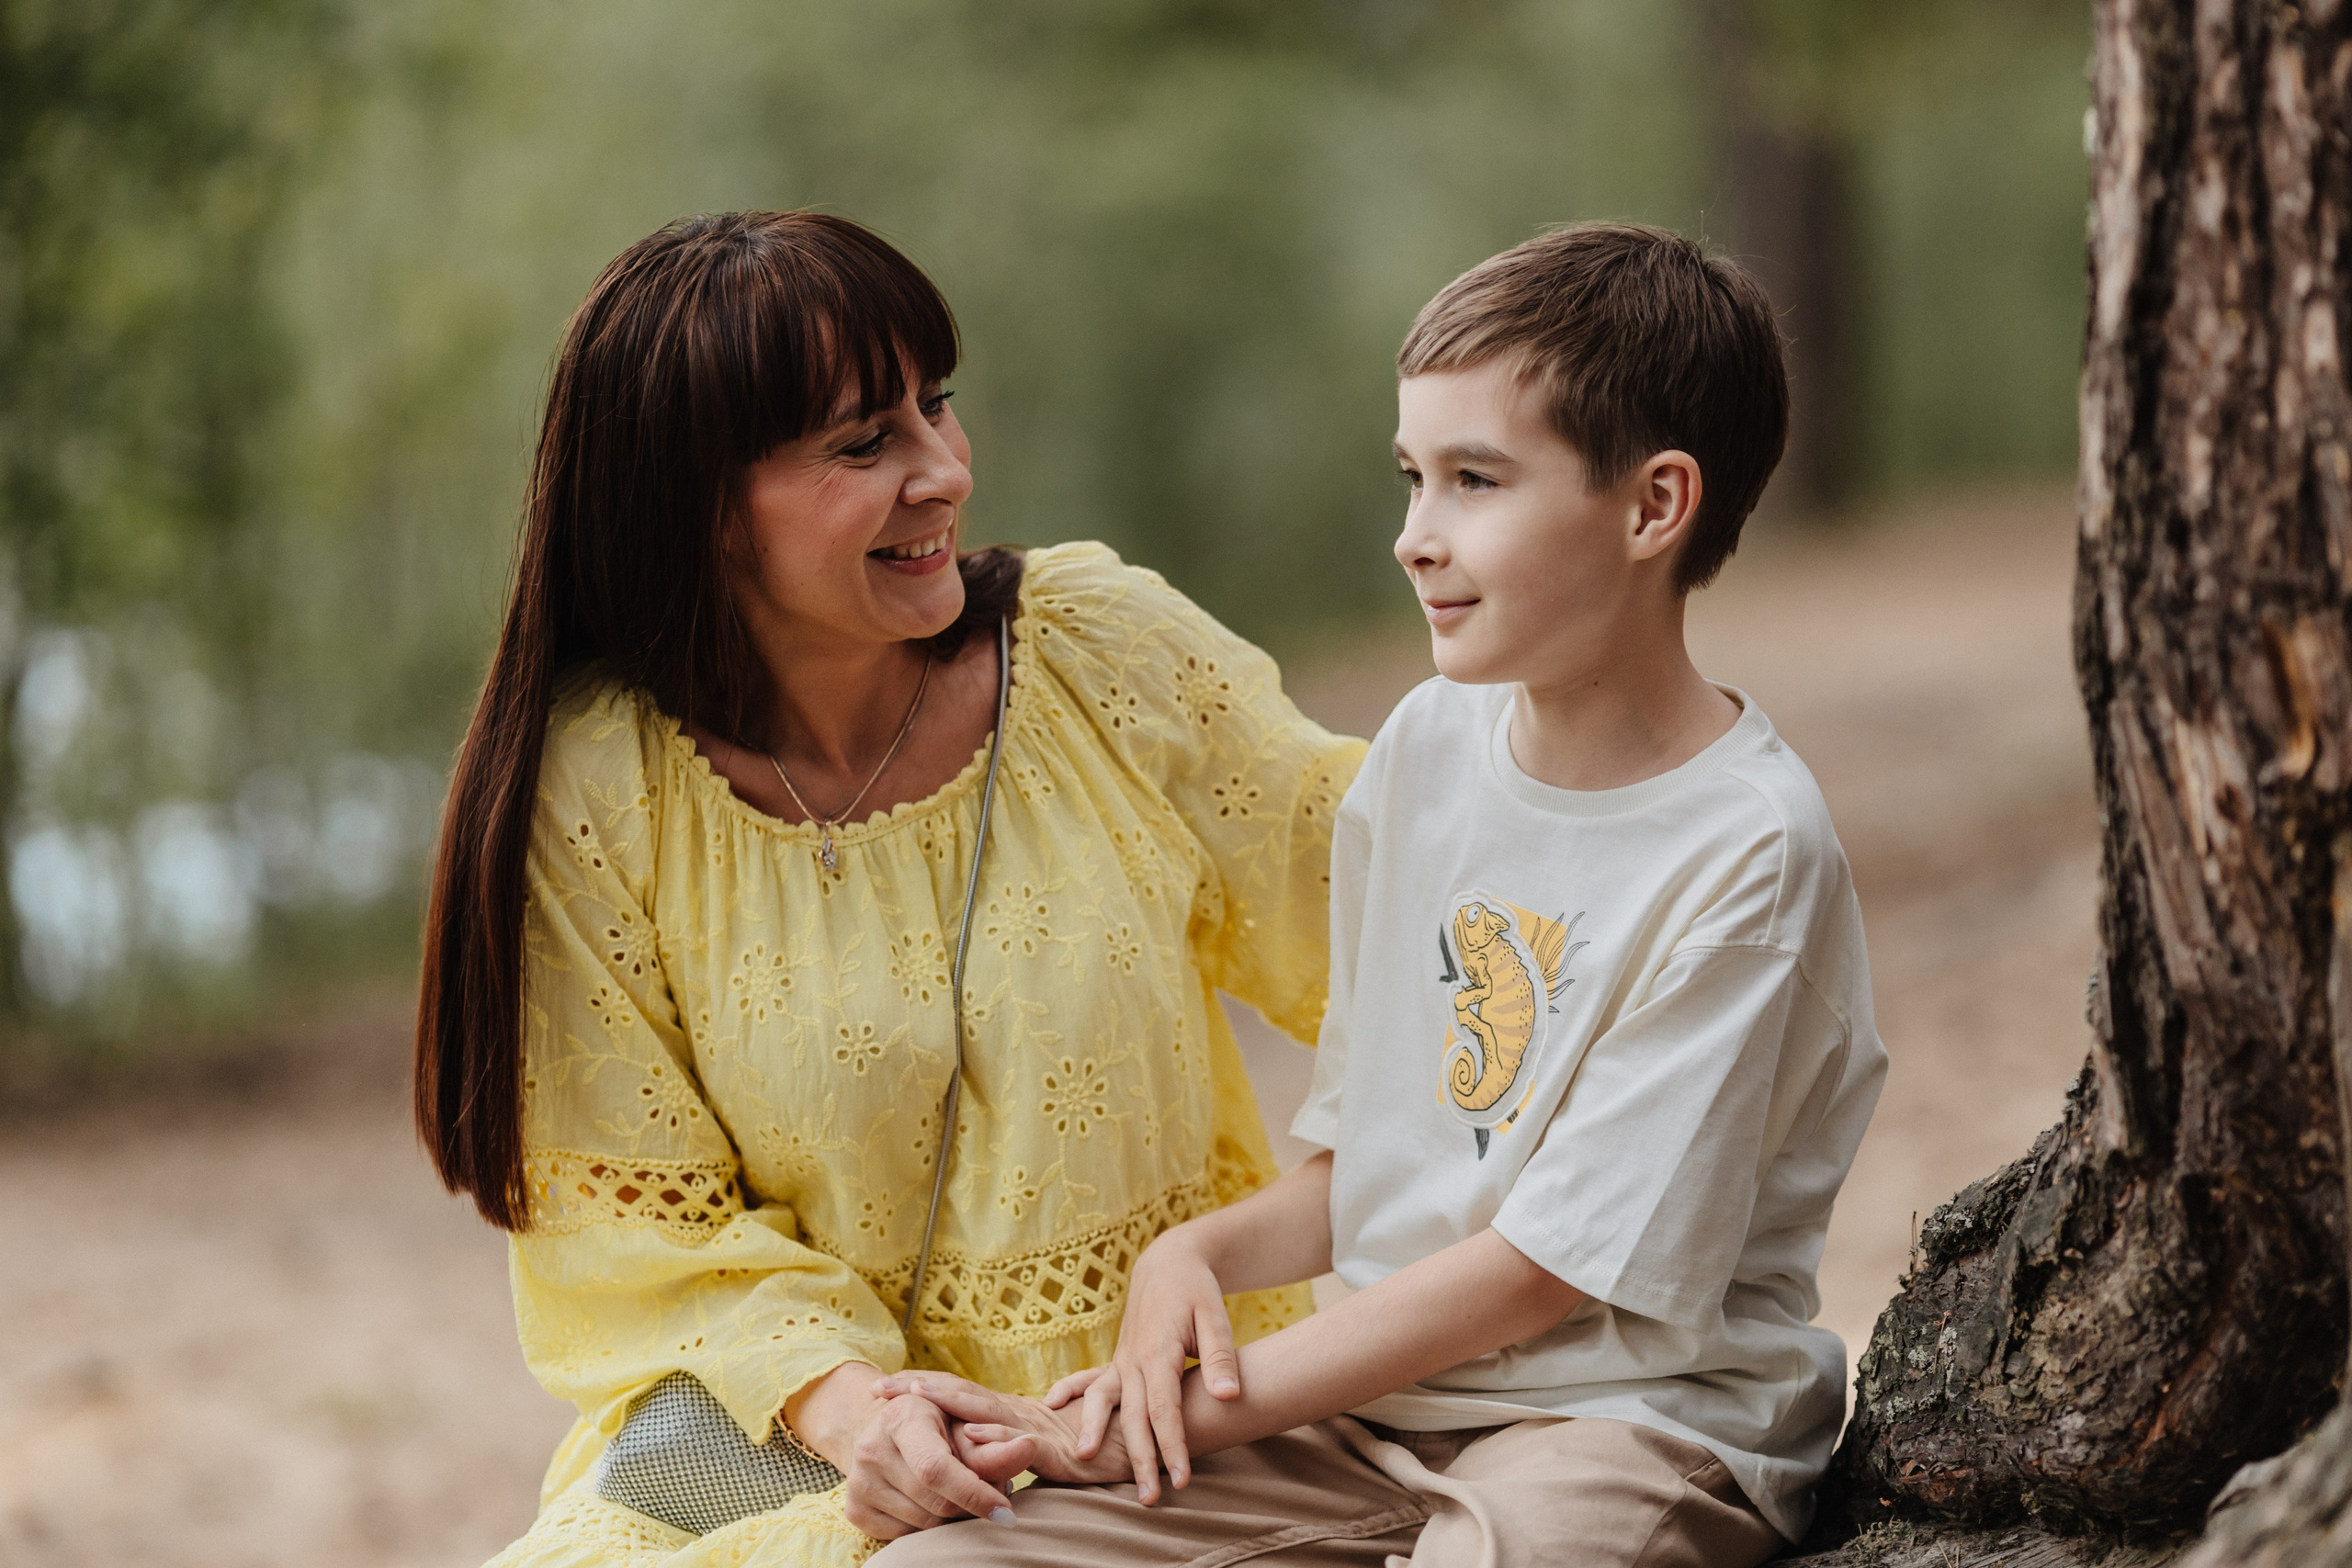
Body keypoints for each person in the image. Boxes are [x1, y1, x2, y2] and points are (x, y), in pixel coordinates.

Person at [872, 221, 1889, 1568]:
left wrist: (1145, 1425)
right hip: (1371, 1420)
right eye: (1413, 477)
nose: (1416, 538)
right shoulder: (1426, 750)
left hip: (1625, 1433)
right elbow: (1369, 1169)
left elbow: (1539, 1272)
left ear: (1654, 507)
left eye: (1476, 481)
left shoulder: (1747, 853)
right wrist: (1192, 1259)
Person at [412, 210, 1365, 1567]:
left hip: (1152, 1435)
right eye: (864, 444)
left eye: (938, 409)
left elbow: (1428, 960)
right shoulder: (591, 783)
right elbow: (627, 1226)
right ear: (696, 506)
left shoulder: (1103, 654)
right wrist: (859, 1411)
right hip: (800, 1447)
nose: (943, 473)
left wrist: (1266, 1241)